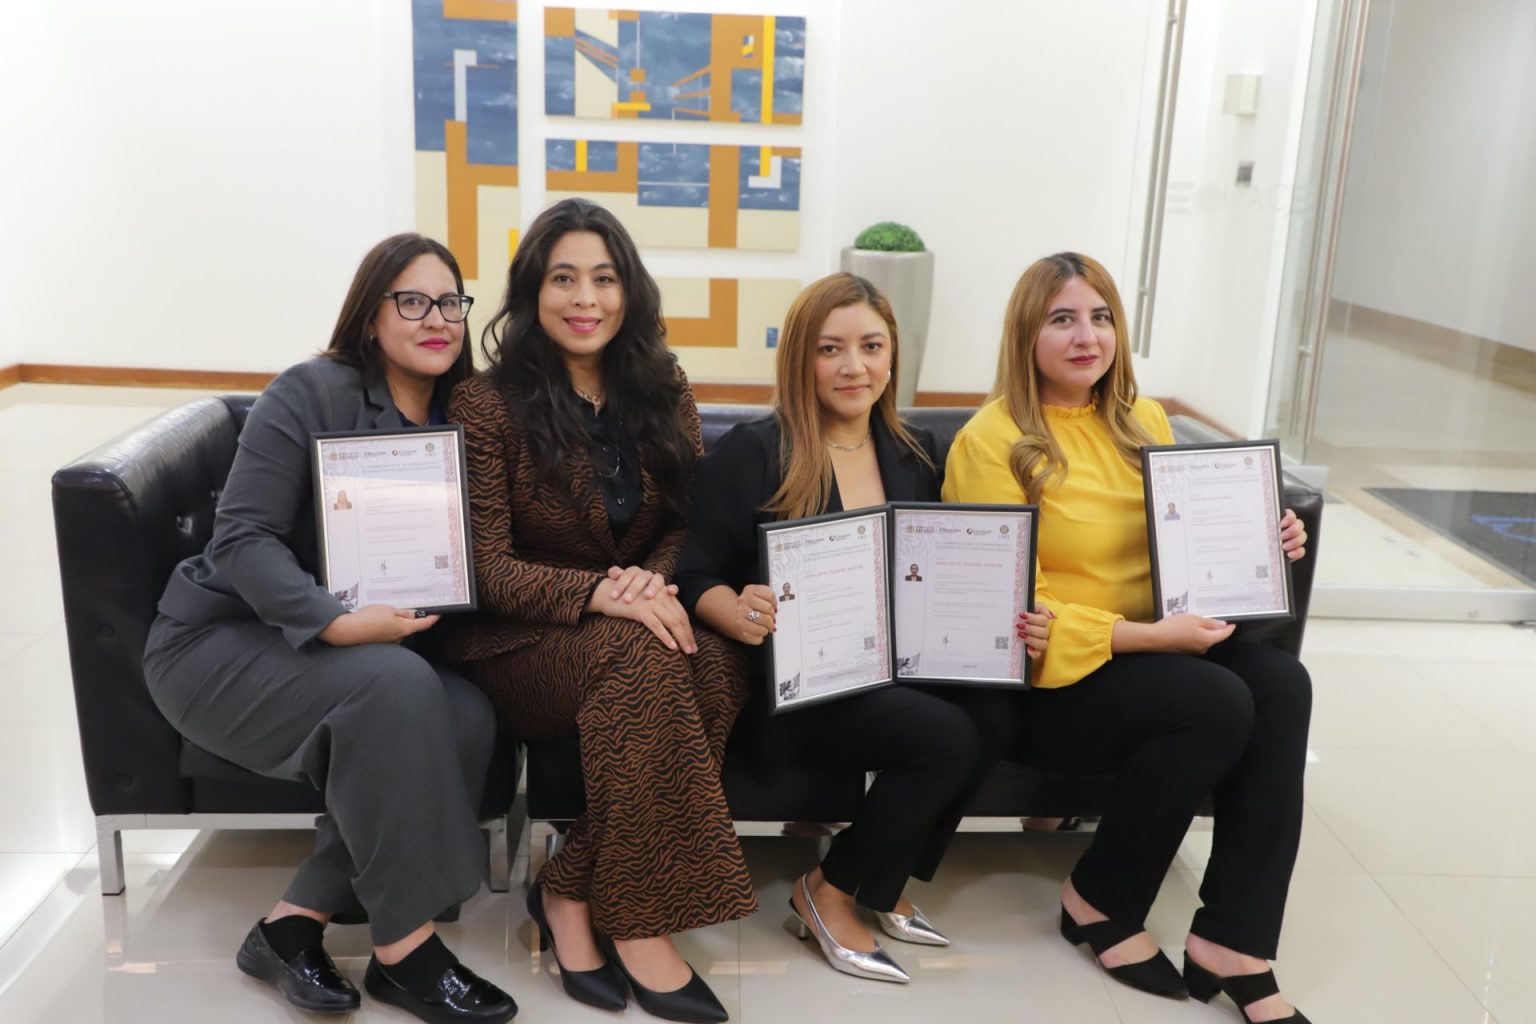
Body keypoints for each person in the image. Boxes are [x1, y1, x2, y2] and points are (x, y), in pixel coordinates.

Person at [141, 233, 517, 1024]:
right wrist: (336, 623)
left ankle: (289, 927)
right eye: (411, 301)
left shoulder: (466, 416)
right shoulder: (309, 391)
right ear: (370, 314)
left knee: (466, 713)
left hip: (359, 653)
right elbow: (241, 539)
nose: (437, 319)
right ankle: (406, 954)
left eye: (450, 302)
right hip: (220, 641)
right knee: (398, 686)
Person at [944, 252, 1312, 1024]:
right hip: (1052, 675)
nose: (1088, 336)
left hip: (1158, 643)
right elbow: (1011, 605)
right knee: (1214, 700)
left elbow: (1183, 543)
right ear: (1026, 333)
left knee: (1284, 685)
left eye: (1101, 317)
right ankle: (1101, 899)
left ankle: (1234, 940)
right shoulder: (990, 441)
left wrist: (1262, 537)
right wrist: (1151, 637)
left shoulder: (1142, 420)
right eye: (1063, 319)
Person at [674, 272, 1039, 985]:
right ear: (801, 359)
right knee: (944, 735)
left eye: (871, 347)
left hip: (891, 669)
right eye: (830, 349)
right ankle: (828, 891)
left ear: (893, 356)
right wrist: (734, 609)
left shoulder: (915, 452)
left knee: (996, 708)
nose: (854, 366)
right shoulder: (756, 450)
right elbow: (693, 572)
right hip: (796, 689)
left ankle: (882, 876)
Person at [437, 198, 750, 1023]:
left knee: (718, 659)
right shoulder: (484, 404)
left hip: (630, 615)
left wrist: (647, 582)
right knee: (644, 654)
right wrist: (601, 594)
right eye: (564, 279)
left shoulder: (663, 388)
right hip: (515, 643)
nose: (586, 299)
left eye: (604, 279)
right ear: (532, 293)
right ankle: (642, 927)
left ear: (629, 290)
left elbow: (684, 523)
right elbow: (485, 566)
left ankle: (570, 890)